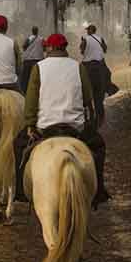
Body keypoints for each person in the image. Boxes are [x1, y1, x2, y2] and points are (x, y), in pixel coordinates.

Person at [17, 32, 110, 208]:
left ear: (50, 48)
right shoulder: (78, 66)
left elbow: (31, 100)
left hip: (46, 127)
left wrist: (30, 124)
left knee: (19, 145)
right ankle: (99, 191)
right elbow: (87, 97)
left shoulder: (39, 67)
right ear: (64, 48)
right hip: (75, 127)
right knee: (98, 145)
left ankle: (21, 191)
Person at [80, 22, 113, 125]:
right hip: (100, 66)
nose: (87, 32)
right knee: (101, 88)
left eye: (88, 30)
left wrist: (83, 45)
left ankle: (90, 112)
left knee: (85, 90)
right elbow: (105, 50)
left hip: (88, 67)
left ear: (90, 30)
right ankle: (100, 115)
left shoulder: (85, 39)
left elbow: (82, 52)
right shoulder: (100, 39)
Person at [20, 24, 45, 91]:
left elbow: (24, 47)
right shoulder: (41, 39)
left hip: (28, 61)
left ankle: (24, 91)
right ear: (37, 31)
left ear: (32, 31)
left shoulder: (28, 39)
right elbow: (44, 48)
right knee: (37, 79)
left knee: (26, 78)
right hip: (38, 61)